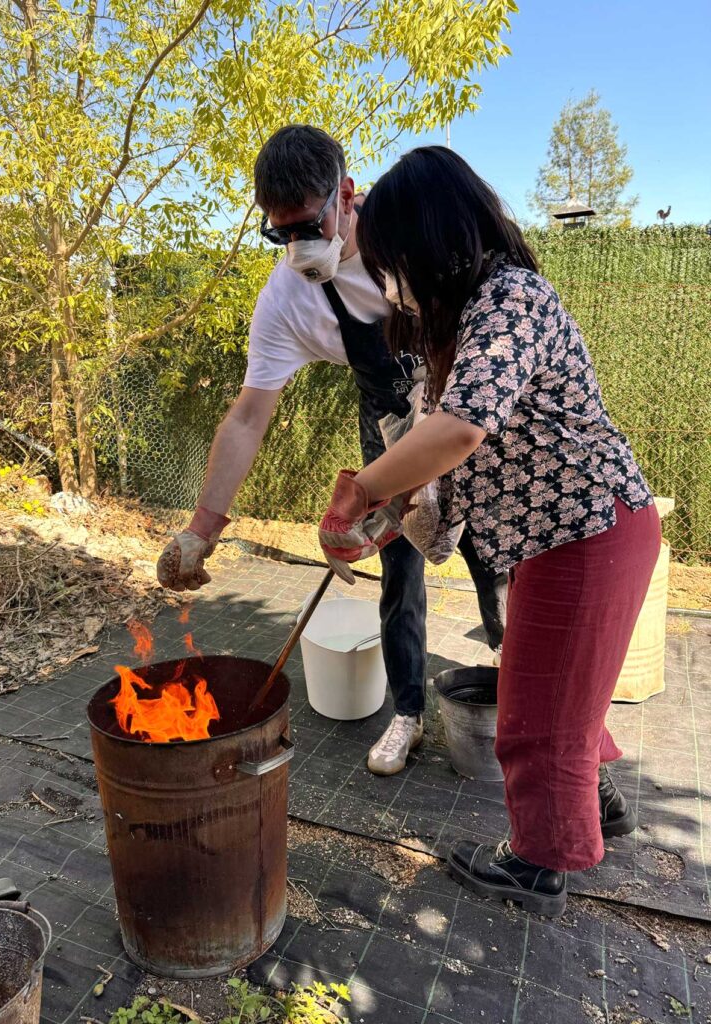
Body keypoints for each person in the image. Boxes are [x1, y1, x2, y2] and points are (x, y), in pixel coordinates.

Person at [318, 145, 661, 916]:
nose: (386, 283)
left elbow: (459, 431)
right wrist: (384, 527)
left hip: (589, 529)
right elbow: (444, 488)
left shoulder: (511, 300)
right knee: (564, 696)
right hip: (565, 537)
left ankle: (540, 864)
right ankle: (596, 804)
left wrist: (360, 489)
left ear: (429, 240)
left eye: (389, 262)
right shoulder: (464, 331)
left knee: (534, 717)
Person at [156, 126, 508, 776]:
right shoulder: (288, 298)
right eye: (281, 233)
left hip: (469, 405)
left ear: (346, 195)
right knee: (399, 572)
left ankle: (529, 713)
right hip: (391, 424)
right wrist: (202, 529)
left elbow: (488, 333)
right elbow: (248, 417)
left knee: (497, 558)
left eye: (310, 225)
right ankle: (407, 715)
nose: (299, 247)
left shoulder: (412, 230)